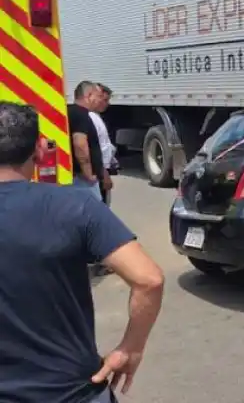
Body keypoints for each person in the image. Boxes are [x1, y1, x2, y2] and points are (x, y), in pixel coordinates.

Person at [0, 102, 165, 402]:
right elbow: (148, 279)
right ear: (39, 149)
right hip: (72, 392)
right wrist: (131, 348)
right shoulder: (75, 206)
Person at [68, 81, 104, 202]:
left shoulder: (70, 111)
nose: (100, 100)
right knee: (96, 214)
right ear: (89, 95)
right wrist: (88, 173)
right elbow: (80, 144)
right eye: (98, 96)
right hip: (82, 179)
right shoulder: (81, 114)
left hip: (76, 176)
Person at [89, 83, 117, 207]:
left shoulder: (94, 117)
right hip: (99, 172)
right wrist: (105, 175)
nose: (107, 103)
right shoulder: (93, 118)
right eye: (104, 99)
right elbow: (99, 149)